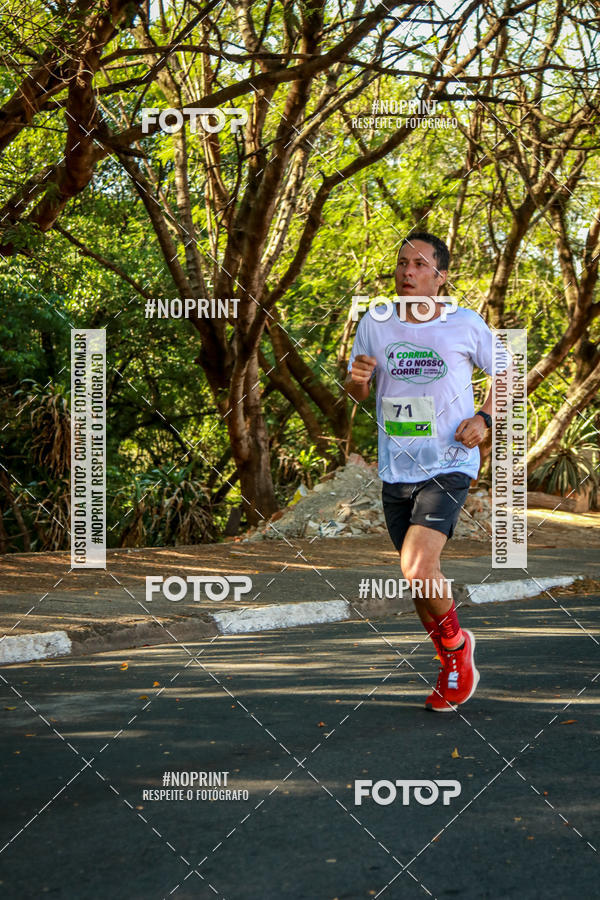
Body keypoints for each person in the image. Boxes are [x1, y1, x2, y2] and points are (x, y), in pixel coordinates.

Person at [345, 232, 506, 712]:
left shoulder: (464, 323)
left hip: (449, 463)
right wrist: (355, 383)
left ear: (441, 276)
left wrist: (486, 419)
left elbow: (508, 373)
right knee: (419, 577)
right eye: (401, 263)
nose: (406, 272)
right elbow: (358, 392)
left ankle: (456, 652)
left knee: (416, 566)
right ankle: (450, 655)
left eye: (418, 265)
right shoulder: (375, 323)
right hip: (397, 467)